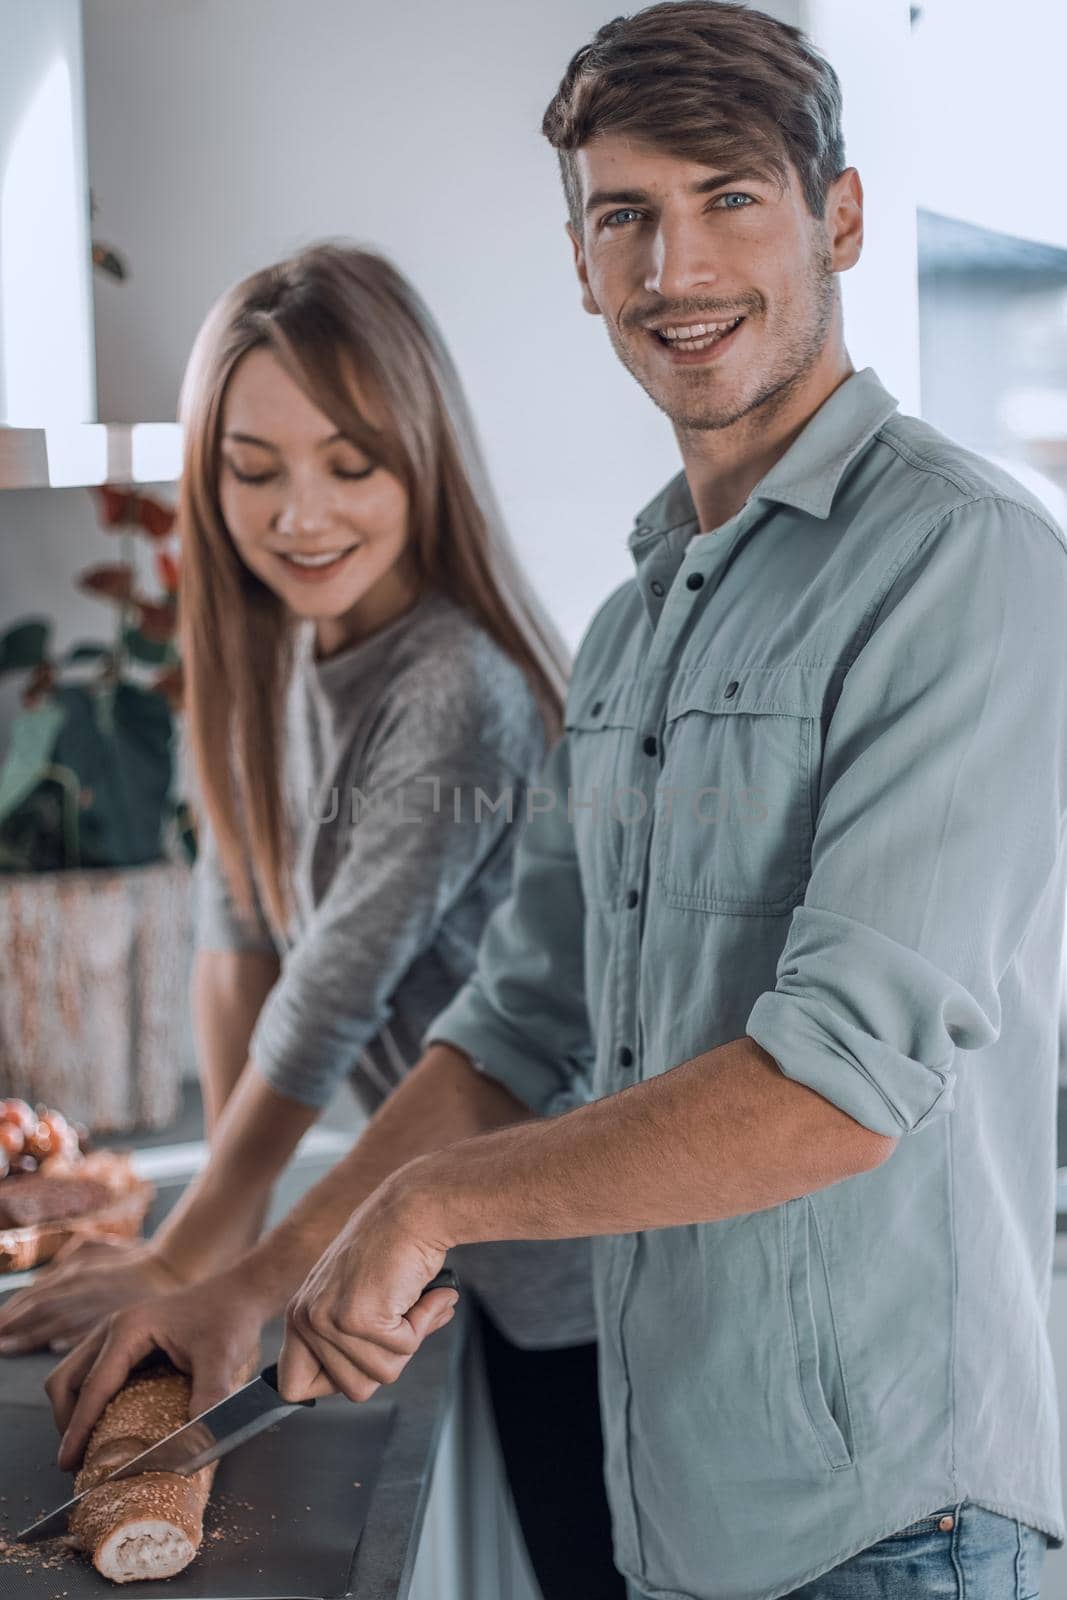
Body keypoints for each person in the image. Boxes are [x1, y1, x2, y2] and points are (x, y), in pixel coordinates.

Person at [41, 6, 1067, 1598]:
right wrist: (242, 1281)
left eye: (731, 196)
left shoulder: (962, 561)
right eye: (625, 216)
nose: (676, 268)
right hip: (682, 1513)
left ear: (841, 217)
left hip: (901, 1529)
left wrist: (425, 1201)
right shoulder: (644, 622)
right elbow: (517, 1021)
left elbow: (837, 1084)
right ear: (582, 261)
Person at [0, 243, 625, 1600]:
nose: (300, 514)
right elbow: (242, 950)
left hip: (578, 1269)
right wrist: (214, 1240)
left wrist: (186, 1251)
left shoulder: (457, 681)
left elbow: (330, 997)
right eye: (253, 466)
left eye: (351, 463)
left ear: (424, 459)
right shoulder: (290, 650)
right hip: (464, 1241)